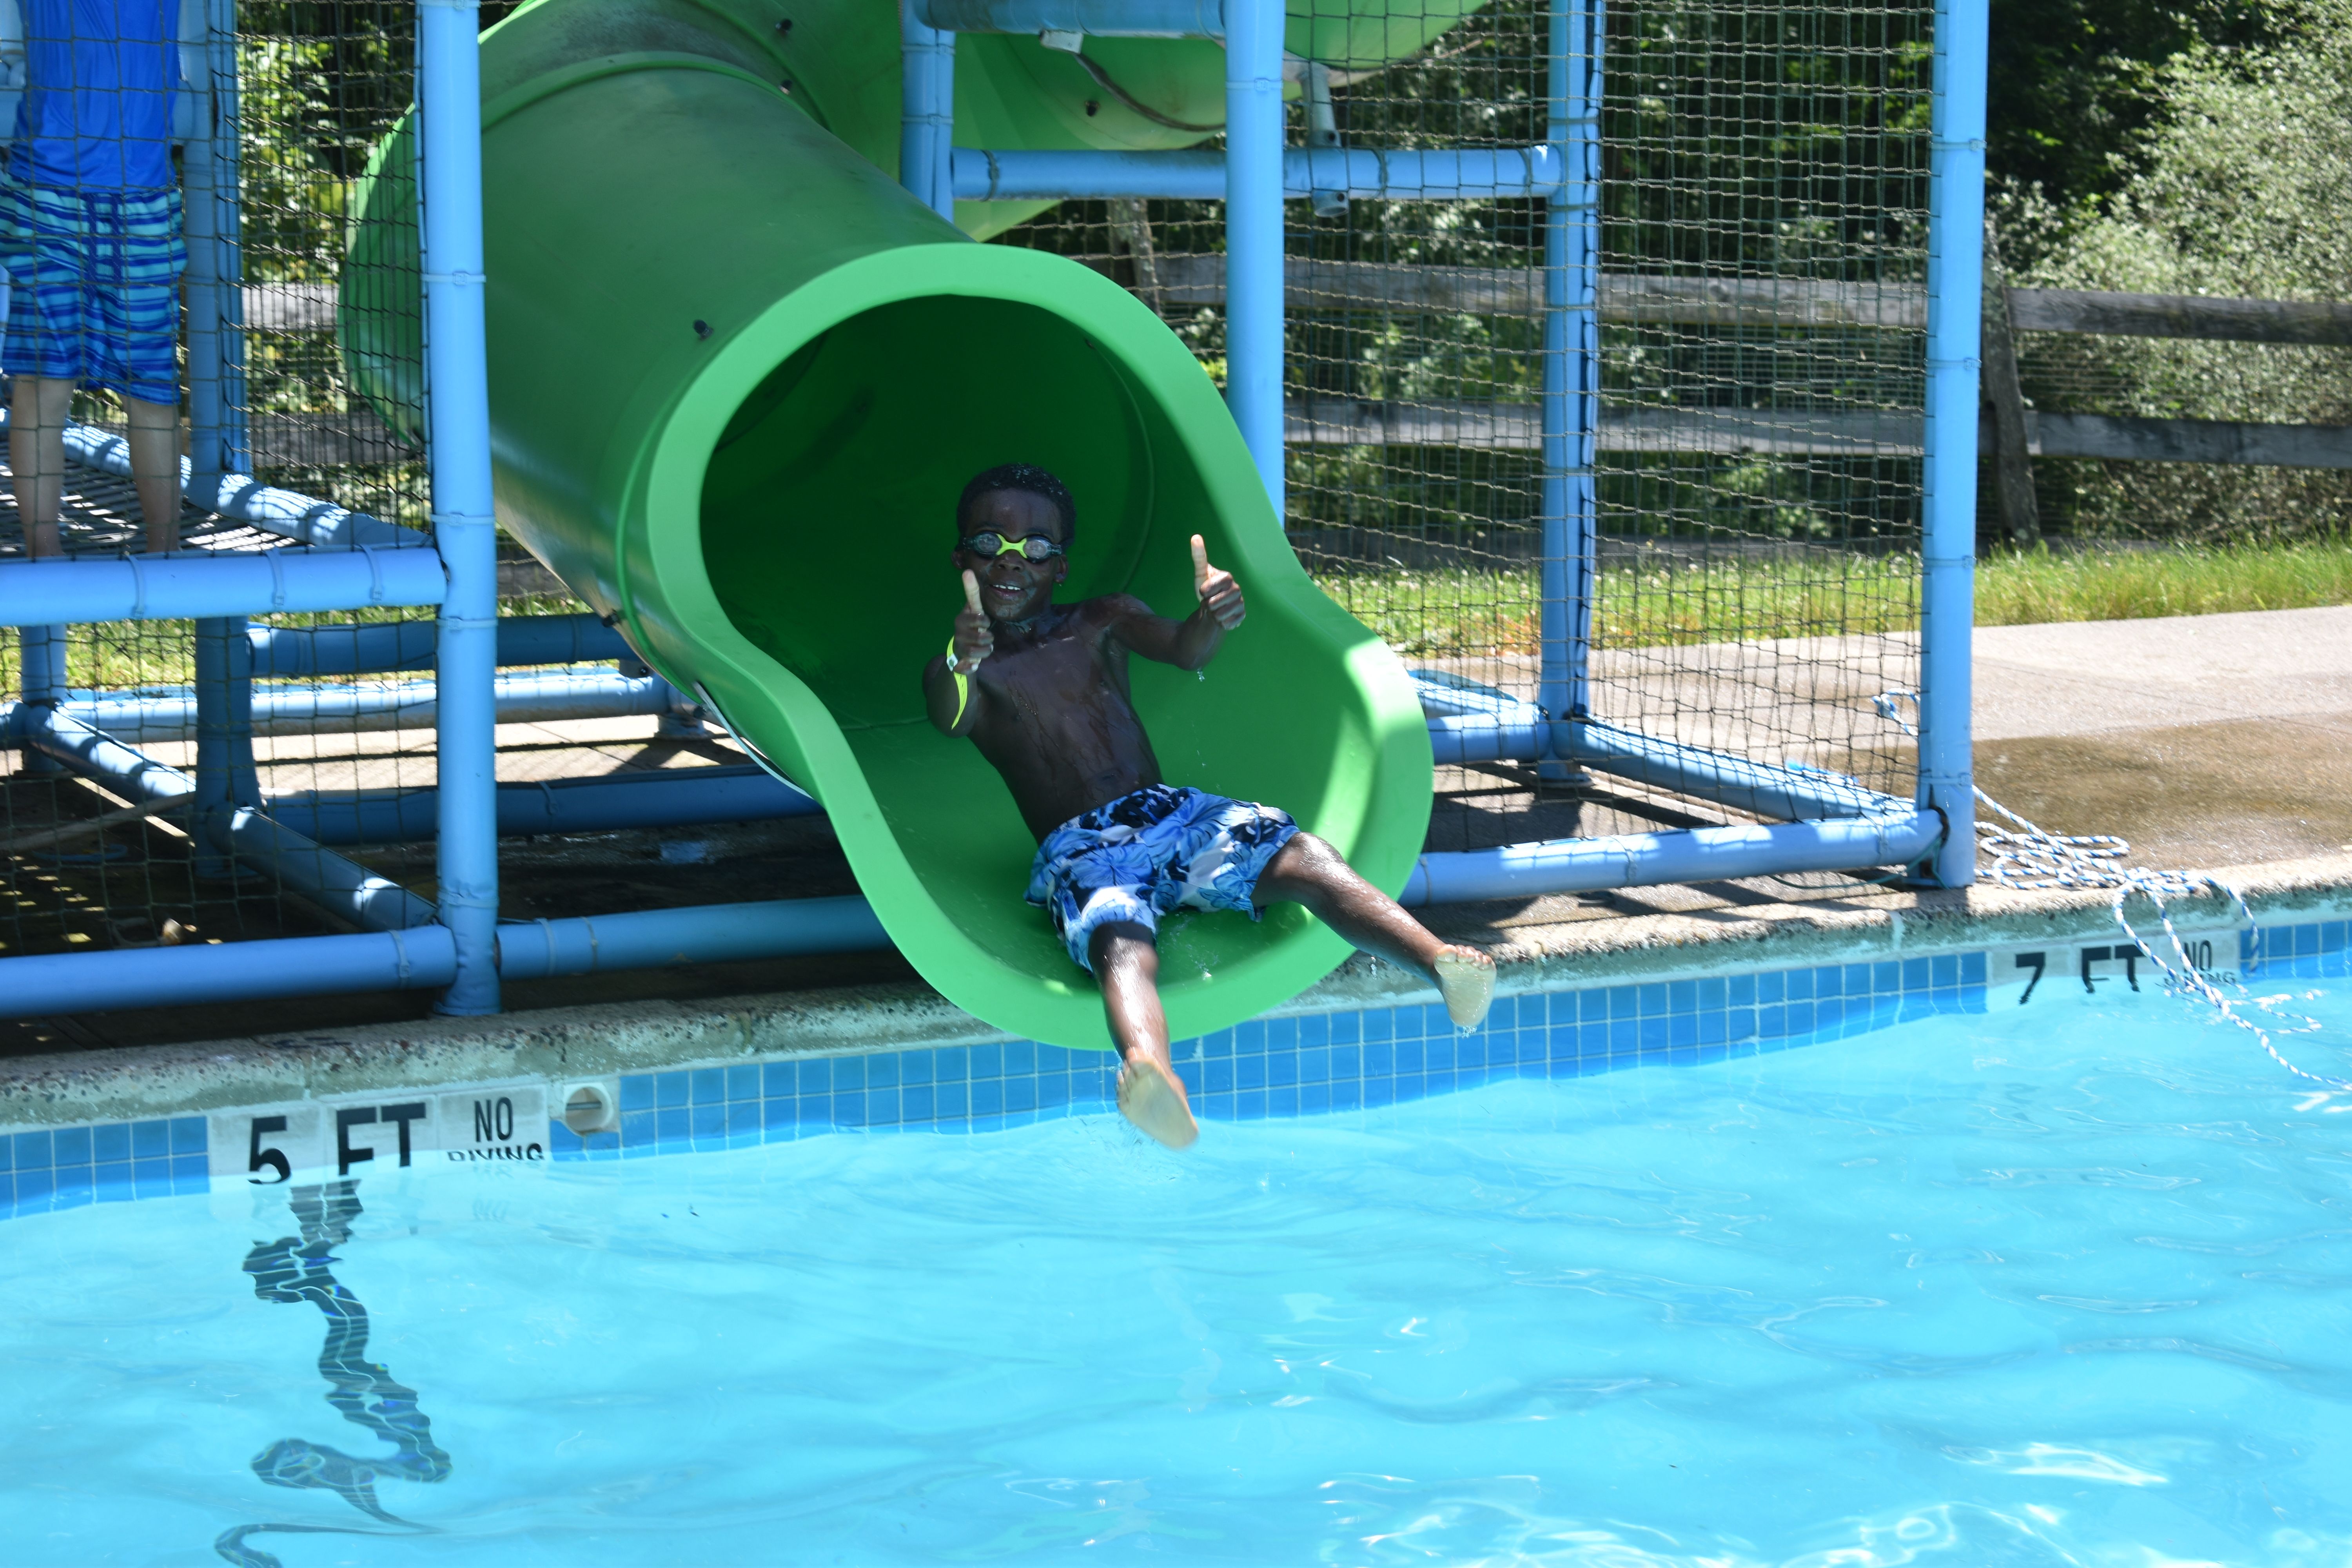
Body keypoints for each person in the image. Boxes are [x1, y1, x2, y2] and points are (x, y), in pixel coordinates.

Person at [923, 463, 1495, 1151]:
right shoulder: (967, 668)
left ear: (1061, 566)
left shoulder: (1101, 619)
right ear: (962, 558)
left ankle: (1442, 963)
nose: (1012, 561)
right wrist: (961, 659)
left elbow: (1185, 649)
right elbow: (951, 718)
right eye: (991, 542)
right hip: (1084, 846)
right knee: (1120, 940)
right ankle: (1151, 1073)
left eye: (1036, 547)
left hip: (1171, 815)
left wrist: (1211, 616)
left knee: (1305, 857)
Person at [2, 0, 185, 557]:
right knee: (42, 382)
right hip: (45, 196)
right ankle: (44, 554)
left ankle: (167, 553)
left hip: (143, 200)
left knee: (151, 386)